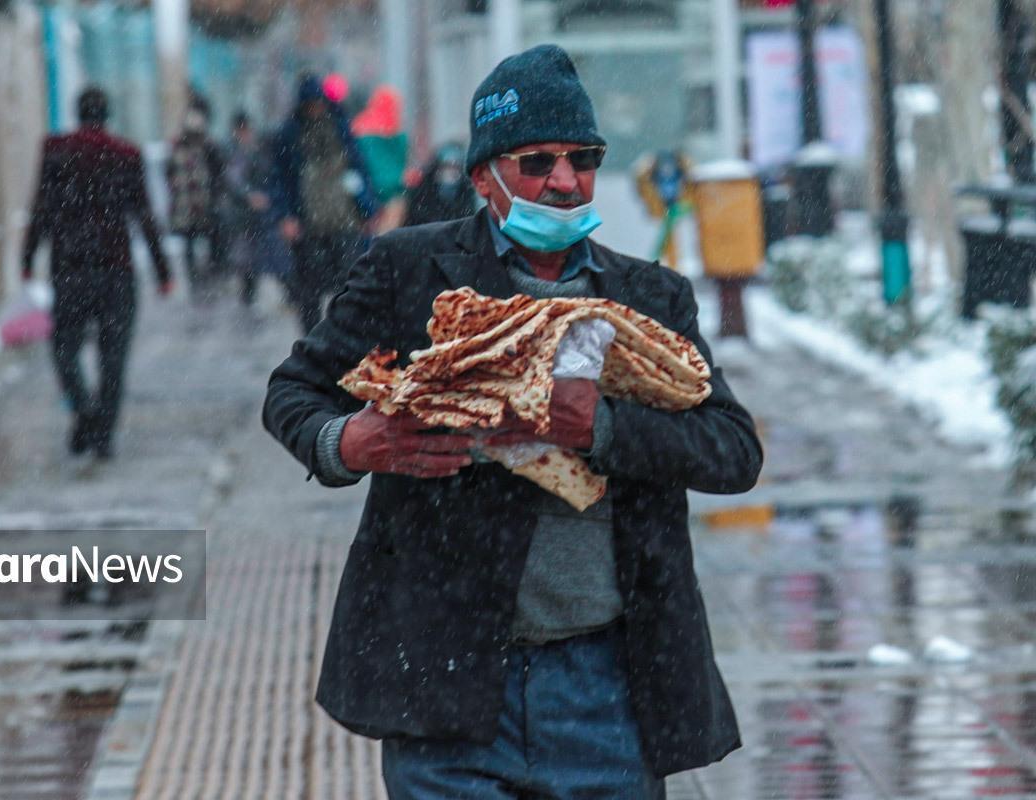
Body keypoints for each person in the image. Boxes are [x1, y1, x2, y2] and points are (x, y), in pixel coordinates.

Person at [263, 45, 763, 798]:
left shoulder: (646, 298)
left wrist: (600, 428)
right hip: (447, 684)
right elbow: (294, 391)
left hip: (608, 693)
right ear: (483, 177)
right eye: (537, 162)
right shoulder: (410, 273)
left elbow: (731, 450)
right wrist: (349, 442)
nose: (564, 180)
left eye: (582, 159)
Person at [22, 86, 172, 460]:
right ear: (107, 115)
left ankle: (84, 410)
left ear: (78, 113)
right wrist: (162, 270)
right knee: (113, 356)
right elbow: (144, 215)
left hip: (70, 268)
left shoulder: (56, 152)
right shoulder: (126, 155)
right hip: (115, 270)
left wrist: (27, 257)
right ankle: (103, 434)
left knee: (64, 349)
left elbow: (40, 209)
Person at [269, 74, 376, 333]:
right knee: (310, 291)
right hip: (309, 225)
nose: (316, 109)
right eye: (311, 104)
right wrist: (285, 215)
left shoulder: (341, 129)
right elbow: (279, 180)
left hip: (345, 221)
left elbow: (358, 169)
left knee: (350, 285)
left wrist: (367, 208)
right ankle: (313, 341)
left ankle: (347, 336)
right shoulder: (290, 136)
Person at [167, 98, 225, 301]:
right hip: (193, 205)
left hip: (197, 205)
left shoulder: (203, 147)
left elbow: (217, 175)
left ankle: (203, 281)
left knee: (201, 244)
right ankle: (201, 282)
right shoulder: (203, 146)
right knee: (196, 245)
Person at [218, 111, 274, 306]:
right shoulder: (233, 151)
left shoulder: (256, 149)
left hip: (255, 213)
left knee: (253, 253)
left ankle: (250, 290)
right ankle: (247, 292)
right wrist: (249, 195)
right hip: (240, 213)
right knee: (244, 255)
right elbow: (233, 180)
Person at [352, 85, 409, 233]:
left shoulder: (359, 129)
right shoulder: (398, 134)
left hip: (366, 194)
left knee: (372, 237)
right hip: (392, 194)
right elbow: (400, 166)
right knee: (388, 236)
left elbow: (360, 164)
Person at [403, 142, 478, 227]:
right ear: (438, 167)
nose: (450, 173)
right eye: (446, 167)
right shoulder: (423, 190)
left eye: (455, 167)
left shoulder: (466, 192)